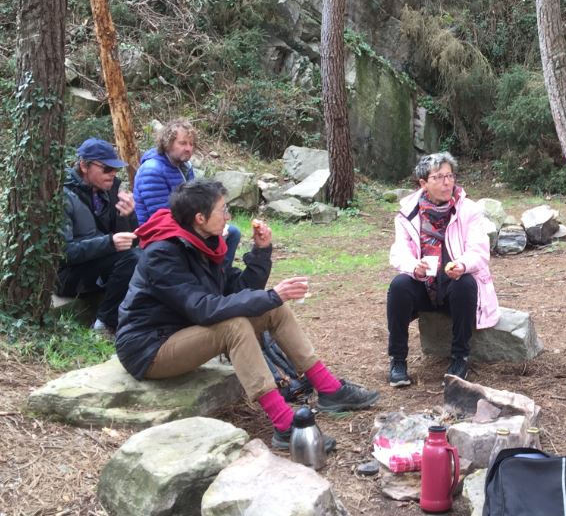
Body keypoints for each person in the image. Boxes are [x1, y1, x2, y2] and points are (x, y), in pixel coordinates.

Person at [116, 179, 379, 450]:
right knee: (234, 325)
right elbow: (203, 308)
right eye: (223, 210)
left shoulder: (202, 242)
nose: (228, 216)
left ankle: (329, 389)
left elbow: (237, 288)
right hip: (149, 348)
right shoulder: (164, 253)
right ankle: (284, 426)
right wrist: (271, 294)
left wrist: (261, 253)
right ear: (200, 217)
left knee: (273, 308)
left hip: (182, 331)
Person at [386, 152, 499, 386]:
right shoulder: (408, 212)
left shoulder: (468, 210)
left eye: (449, 176)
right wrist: (413, 266)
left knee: (466, 283)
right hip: (424, 286)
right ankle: (398, 360)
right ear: (423, 183)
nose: (446, 182)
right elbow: (399, 251)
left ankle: (460, 358)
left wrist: (462, 264)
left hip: (453, 287)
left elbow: (479, 251)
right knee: (399, 286)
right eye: (438, 177)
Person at [133, 119, 242, 266]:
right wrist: (200, 229)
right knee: (220, 234)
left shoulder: (184, 166)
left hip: (183, 223)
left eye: (191, 144)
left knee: (231, 232)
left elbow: (196, 203)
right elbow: (160, 216)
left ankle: (219, 279)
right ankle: (212, 281)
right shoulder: (152, 170)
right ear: (167, 143)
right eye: (183, 143)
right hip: (157, 234)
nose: (188, 148)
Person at [58, 138, 139, 333]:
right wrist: (109, 243)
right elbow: (63, 253)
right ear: (84, 166)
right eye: (106, 168)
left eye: (115, 169)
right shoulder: (62, 195)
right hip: (69, 275)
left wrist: (127, 216)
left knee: (145, 256)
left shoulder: (108, 190)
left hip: (99, 265)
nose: (112, 174)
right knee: (132, 259)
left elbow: (134, 241)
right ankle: (105, 323)